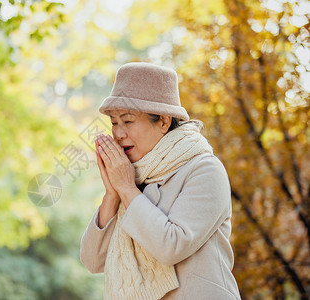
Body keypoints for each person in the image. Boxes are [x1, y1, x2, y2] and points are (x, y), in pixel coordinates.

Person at [80, 62, 241, 300]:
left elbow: (171, 246)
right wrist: (112, 195)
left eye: (128, 120)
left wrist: (125, 188)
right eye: (114, 122)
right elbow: (93, 261)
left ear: (164, 122)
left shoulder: (205, 169)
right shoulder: (132, 177)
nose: (119, 133)